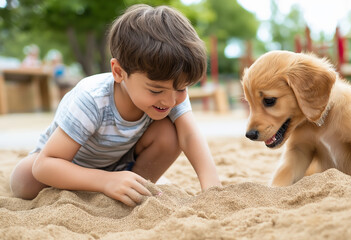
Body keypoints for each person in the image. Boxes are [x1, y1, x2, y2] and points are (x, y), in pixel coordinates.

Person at [9, 4, 222, 207]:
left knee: (170, 134)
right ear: (119, 72)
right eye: (156, 90)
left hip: (121, 165)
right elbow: (45, 165)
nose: (170, 100)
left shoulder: (170, 93)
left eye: (182, 88)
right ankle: (114, 183)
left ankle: (134, 185)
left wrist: (213, 191)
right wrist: (104, 181)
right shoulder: (92, 98)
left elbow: (190, 136)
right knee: (24, 181)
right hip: (65, 165)